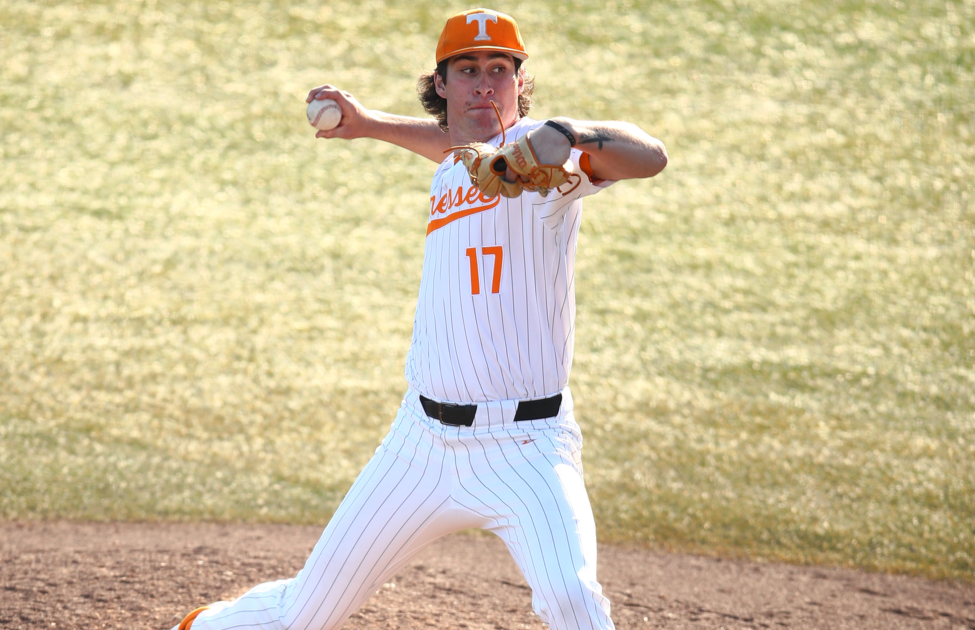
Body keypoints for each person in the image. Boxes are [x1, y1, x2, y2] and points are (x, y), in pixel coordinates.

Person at [175, 8, 666, 630]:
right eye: (468, 70)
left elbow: (652, 157)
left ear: (520, 81)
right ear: (442, 84)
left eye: (500, 68)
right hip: (419, 445)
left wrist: (573, 133)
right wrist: (367, 124)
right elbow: (454, 147)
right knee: (304, 612)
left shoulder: (551, 163)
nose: (485, 83)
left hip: (527, 449)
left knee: (572, 602)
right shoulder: (458, 160)